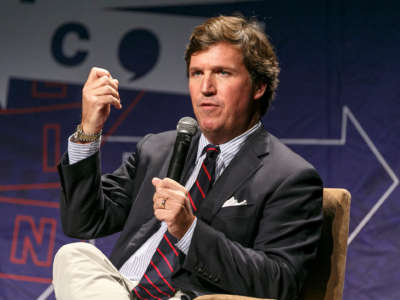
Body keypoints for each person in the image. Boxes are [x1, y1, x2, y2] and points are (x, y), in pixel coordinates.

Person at [53, 15, 323, 300]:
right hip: (119, 291)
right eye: (196, 73)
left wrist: (189, 230)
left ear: (258, 87)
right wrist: (88, 130)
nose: (206, 87)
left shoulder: (289, 177)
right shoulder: (156, 149)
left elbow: (278, 282)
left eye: (222, 73)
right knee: (74, 255)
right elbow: (83, 223)